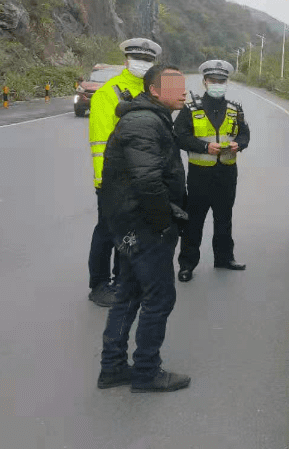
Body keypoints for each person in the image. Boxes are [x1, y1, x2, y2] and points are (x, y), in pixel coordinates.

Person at [97, 64, 190, 392]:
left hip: (129, 221)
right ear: (153, 90)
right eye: (174, 85)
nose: (183, 91)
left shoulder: (149, 117)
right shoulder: (145, 122)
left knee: (129, 293)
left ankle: (112, 367)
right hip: (143, 223)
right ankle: (147, 371)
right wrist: (164, 223)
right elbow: (148, 180)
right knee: (158, 297)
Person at [87, 38, 162, 307]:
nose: (142, 64)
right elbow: (100, 142)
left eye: (147, 60)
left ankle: (124, 280)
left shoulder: (153, 93)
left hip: (143, 179)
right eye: (137, 59)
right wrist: (103, 181)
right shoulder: (109, 93)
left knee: (132, 232)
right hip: (115, 180)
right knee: (107, 232)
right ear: (125, 61)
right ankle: (98, 284)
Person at [175, 60, 250, 282]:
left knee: (224, 218)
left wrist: (240, 144)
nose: (218, 84)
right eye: (213, 80)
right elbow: (179, 135)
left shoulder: (235, 109)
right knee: (194, 221)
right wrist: (204, 146)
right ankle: (187, 264)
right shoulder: (191, 108)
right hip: (200, 174)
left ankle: (224, 258)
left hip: (227, 172)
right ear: (205, 82)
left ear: (227, 82)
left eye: (222, 81)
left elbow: (245, 134)